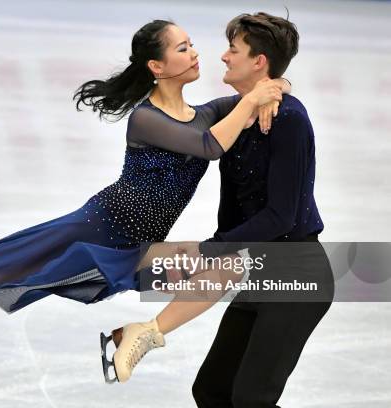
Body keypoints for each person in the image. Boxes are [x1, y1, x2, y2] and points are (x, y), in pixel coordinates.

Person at [0, 19, 288, 332]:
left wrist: (274, 87)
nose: (195, 54)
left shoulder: (204, 112)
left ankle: (143, 337)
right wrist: (253, 100)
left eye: (192, 46)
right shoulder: (146, 119)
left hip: (142, 243)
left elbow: (258, 90)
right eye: (183, 48)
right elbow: (210, 147)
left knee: (222, 266)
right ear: (157, 66)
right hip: (99, 225)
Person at [103, 13, 335, 407]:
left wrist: (210, 250)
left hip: (297, 275)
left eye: (234, 49)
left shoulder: (290, 120)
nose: (223, 57)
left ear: (258, 61)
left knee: (251, 399)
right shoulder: (236, 113)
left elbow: (281, 215)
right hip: (256, 270)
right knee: (212, 392)